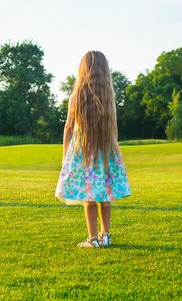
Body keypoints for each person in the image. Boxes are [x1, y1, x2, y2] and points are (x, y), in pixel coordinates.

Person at [55, 51, 131, 248]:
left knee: (88, 196)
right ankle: (106, 236)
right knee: (105, 195)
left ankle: (93, 239)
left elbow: (69, 127)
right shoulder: (108, 96)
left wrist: (65, 157)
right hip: (106, 151)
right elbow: (114, 128)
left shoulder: (76, 96)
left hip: (83, 151)